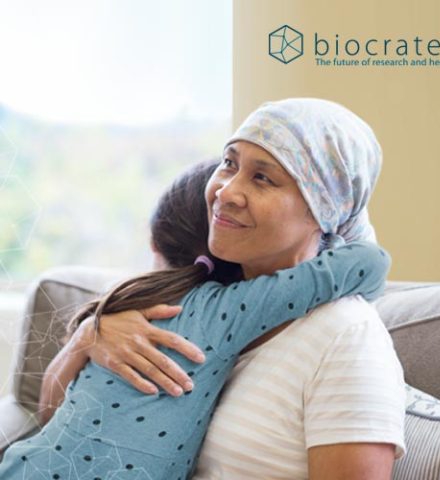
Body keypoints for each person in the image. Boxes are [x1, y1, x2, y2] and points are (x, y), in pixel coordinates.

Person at [40, 98, 406, 479]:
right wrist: (88, 337)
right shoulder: (199, 304)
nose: (226, 192)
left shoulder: (348, 338)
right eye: (229, 163)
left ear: (323, 210)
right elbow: (51, 422)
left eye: (263, 178)